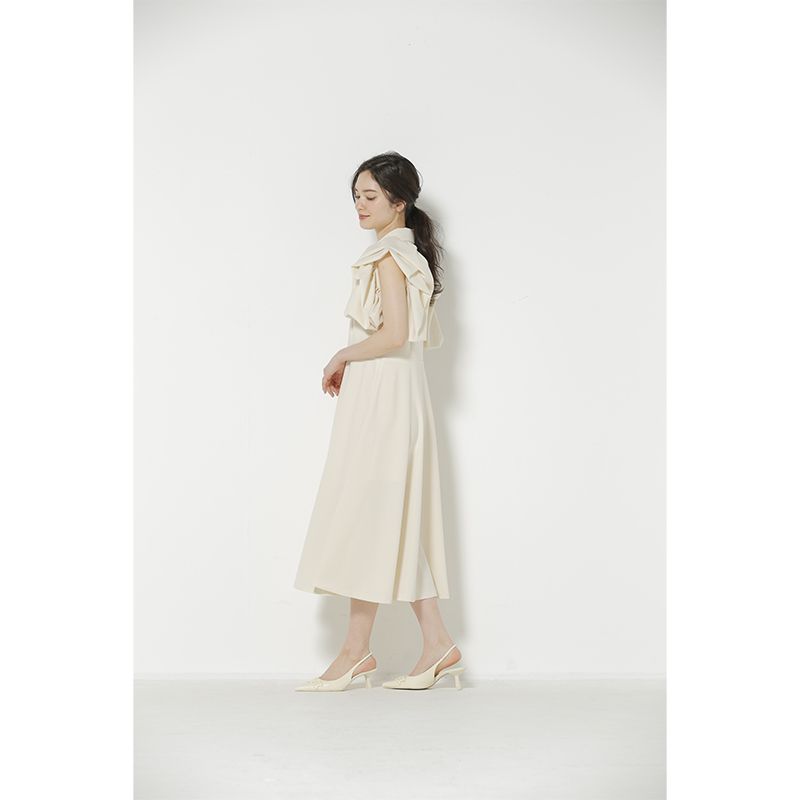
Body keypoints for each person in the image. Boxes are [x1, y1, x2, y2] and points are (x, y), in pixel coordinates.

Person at [293, 152, 465, 692]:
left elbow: (393, 334)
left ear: (400, 201)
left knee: (367, 512)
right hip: (393, 395)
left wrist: (341, 356)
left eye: (370, 197)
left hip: (384, 401)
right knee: (386, 516)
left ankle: (356, 653)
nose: (360, 207)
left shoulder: (390, 255)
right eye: (356, 197)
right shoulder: (405, 253)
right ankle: (434, 645)